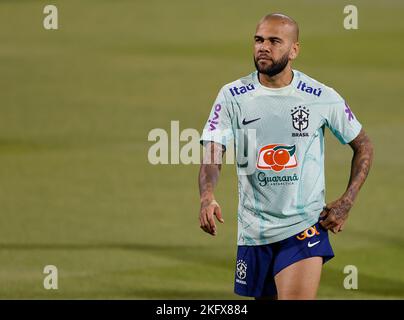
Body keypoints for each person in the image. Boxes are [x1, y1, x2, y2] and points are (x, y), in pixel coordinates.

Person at [198, 13, 374, 300]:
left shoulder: (320, 96)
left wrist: (347, 200)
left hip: (304, 226)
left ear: (294, 50)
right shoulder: (232, 95)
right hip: (254, 230)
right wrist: (207, 195)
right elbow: (214, 151)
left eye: (274, 41)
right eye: (258, 40)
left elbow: (363, 145)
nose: (263, 47)